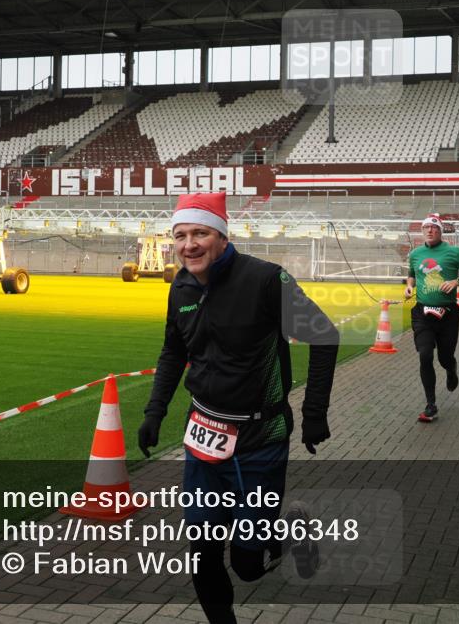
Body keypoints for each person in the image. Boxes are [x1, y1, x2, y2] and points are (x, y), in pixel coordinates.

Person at [137, 192, 339, 624]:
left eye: (200, 233)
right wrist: (155, 412)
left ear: (222, 236)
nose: (189, 244)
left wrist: (313, 412)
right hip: (202, 442)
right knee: (203, 554)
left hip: (258, 442)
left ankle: (289, 532)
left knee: (247, 565)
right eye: (181, 235)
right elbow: (173, 351)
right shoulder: (181, 285)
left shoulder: (266, 280)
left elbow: (324, 335)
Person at [404, 213, 459, 423]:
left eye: (434, 228)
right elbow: (411, 273)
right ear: (422, 231)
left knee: (444, 357)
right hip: (422, 314)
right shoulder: (415, 254)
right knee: (425, 355)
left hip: (448, 315)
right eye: (426, 227)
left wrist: (458, 282)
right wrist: (410, 285)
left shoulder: (454, 253)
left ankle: (451, 369)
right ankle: (431, 405)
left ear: (441, 231)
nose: (430, 231)